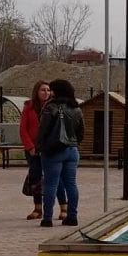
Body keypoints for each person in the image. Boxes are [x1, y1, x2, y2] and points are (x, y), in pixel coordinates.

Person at [36, 78, 84, 228]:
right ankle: (72, 217)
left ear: (56, 91)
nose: (50, 92)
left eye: (51, 90)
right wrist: (74, 143)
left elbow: (42, 129)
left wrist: (40, 146)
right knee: (71, 184)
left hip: (53, 151)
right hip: (72, 150)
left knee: (51, 184)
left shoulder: (50, 107)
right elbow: (81, 132)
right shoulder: (76, 108)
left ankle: (47, 219)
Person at [19, 80, 69, 222]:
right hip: (33, 150)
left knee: (55, 177)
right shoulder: (29, 107)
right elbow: (23, 129)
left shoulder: (55, 106)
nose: (46, 92)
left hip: (49, 149)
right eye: (43, 90)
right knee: (35, 177)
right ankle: (37, 208)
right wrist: (30, 147)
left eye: (48, 90)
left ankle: (63, 207)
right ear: (36, 92)